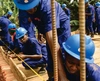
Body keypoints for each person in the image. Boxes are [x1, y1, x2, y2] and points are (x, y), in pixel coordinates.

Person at [13, 0, 71, 81]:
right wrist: (41, 32)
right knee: (50, 62)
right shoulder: (22, 5)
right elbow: (36, 20)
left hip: (61, 30)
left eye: (32, 6)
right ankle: (51, 77)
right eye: (27, 8)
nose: (30, 10)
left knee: (63, 56)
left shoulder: (48, 6)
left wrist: (62, 76)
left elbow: (53, 42)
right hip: (46, 29)